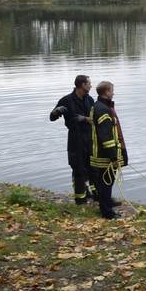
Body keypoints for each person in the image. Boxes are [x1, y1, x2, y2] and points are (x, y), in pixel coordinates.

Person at [49, 75, 96, 205]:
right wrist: (56, 112)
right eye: (89, 83)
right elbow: (51, 118)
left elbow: (94, 119)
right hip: (75, 137)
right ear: (82, 85)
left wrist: (86, 119)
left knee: (92, 166)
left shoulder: (90, 100)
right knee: (78, 166)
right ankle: (80, 199)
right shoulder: (67, 100)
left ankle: (94, 194)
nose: (91, 86)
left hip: (89, 136)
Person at [88, 81, 129, 220]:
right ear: (106, 92)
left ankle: (105, 206)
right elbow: (106, 137)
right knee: (106, 183)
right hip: (105, 156)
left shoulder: (97, 106)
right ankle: (107, 212)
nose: (113, 92)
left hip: (99, 153)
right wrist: (114, 157)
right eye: (112, 90)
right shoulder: (103, 110)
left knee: (103, 182)